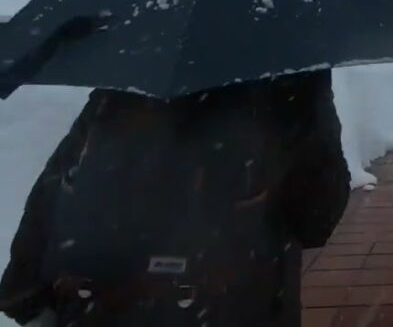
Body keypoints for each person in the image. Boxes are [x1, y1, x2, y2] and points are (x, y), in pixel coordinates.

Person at [0, 70, 350, 326]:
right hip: (235, 305)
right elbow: (316, 220)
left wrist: (26, 292)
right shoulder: (289, 84)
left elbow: (58, 185)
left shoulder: (128, 82)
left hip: (106, 307)